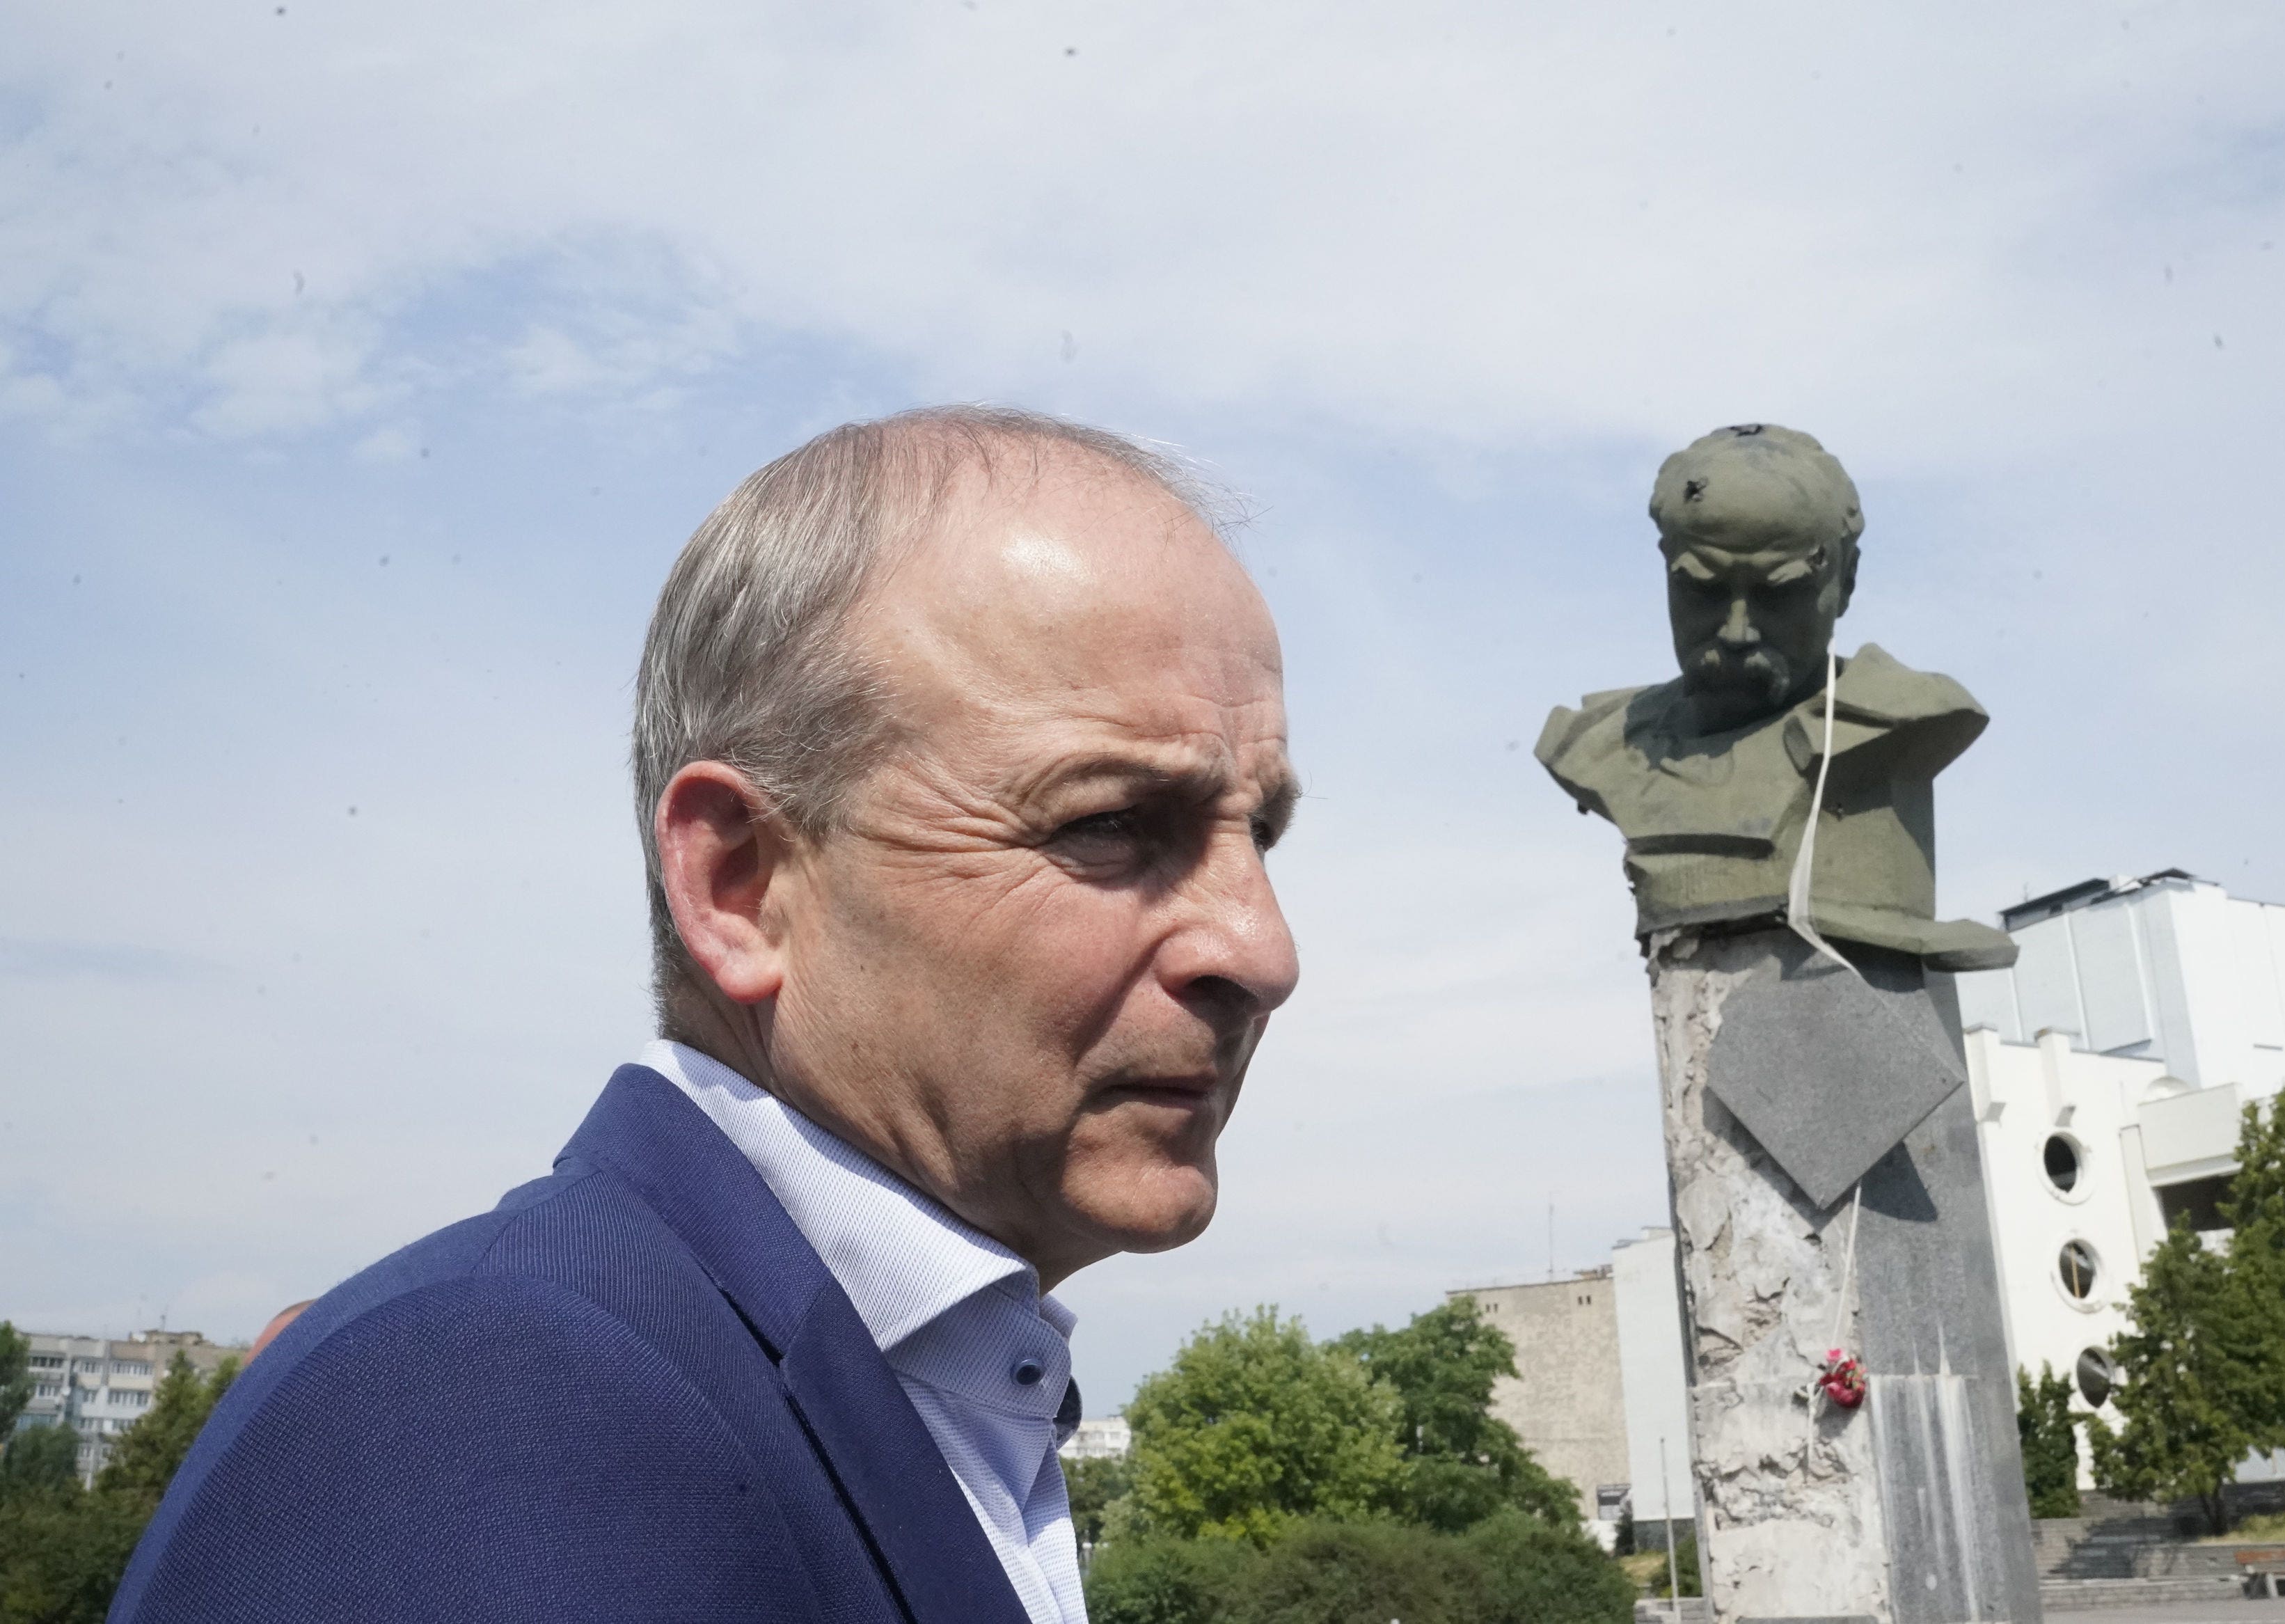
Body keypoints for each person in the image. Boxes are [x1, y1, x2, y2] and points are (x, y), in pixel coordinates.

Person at [109, 407, 1302, 1623]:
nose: (1261, 950)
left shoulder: (891, 1398)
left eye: (1257, 834)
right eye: (1107, 824)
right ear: (740, 884)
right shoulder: (506, 1407)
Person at [1533, 422, 2011, 970]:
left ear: (1846, 582)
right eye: (1703, 589)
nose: (1737, 631)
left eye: (1778, 593)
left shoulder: (1900, 720)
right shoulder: (1597, 745)